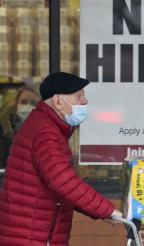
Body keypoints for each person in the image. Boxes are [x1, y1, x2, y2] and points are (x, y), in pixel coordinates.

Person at [0, 72, 123, 245]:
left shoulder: (46, 126)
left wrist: (100, 212)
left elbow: (62, 188)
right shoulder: (46, 132)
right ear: (58, 101)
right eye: (78, 96)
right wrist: (106, 210)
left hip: (32, 234)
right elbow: (63, 181)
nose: (84, 101)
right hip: (32, 237)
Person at [0, 85, 41, 168]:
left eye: (33, 103)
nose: (27, 106)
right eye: (24, 102)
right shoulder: (3, 128)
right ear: (16, 104)